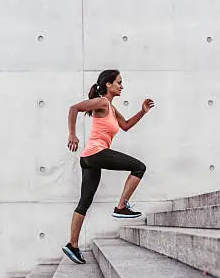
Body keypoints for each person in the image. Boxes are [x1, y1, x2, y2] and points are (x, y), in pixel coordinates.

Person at [62, 69, 155, 264]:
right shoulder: (102, 102)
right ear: (108, 85)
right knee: (139, 167)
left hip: (89, 158)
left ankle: (73, 245)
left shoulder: (111, 108)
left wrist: (143, 112)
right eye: (119, 82)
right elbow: (73, 108)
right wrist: (72, 134)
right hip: (96, 153)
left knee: (84, 202)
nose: (122, 86)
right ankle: (121, 206)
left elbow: (126, 125)